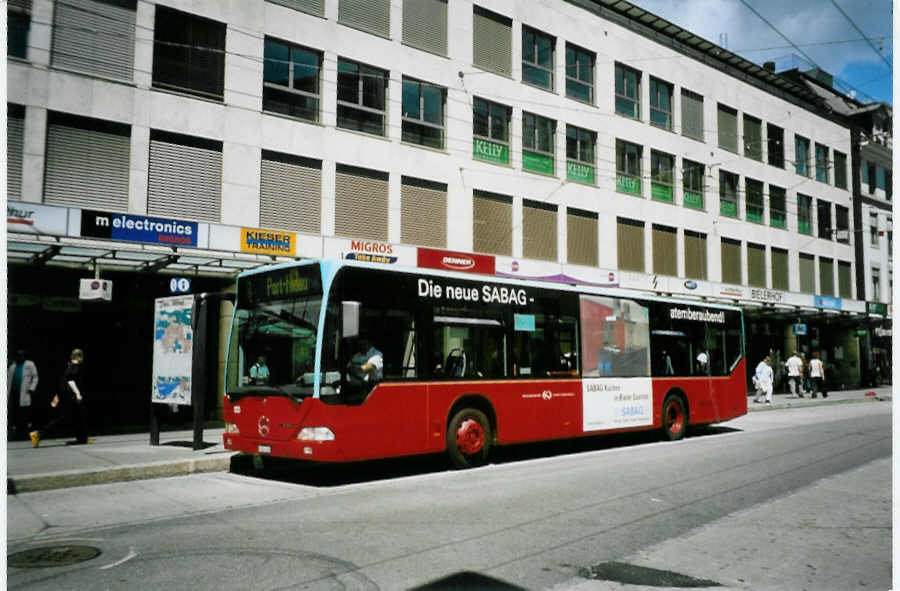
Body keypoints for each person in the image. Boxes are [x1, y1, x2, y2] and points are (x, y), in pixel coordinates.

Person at [30, 349, 91, 447]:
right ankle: (38, 434)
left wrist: (57, 397)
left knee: (78, 416)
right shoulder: (75, 365)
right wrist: (78, 394)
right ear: (79, 356)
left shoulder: (69, 366)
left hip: (66, 395)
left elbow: (64, 381)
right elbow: (70, 380)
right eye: (81, 356)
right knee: (65, 417)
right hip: (70, 396)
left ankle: (82, 438)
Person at [7, 349, 38, 439]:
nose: (19, 357)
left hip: (26, 392)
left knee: (27, 414)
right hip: (14, 393)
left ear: (24, 357)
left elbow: (35, 377)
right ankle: (18, 434)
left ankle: (31, 435)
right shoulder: (13, 366)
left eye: (21, 355)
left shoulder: (30, 364)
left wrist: (32, 388)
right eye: (18, 356)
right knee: (16, 414)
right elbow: (8, 379)